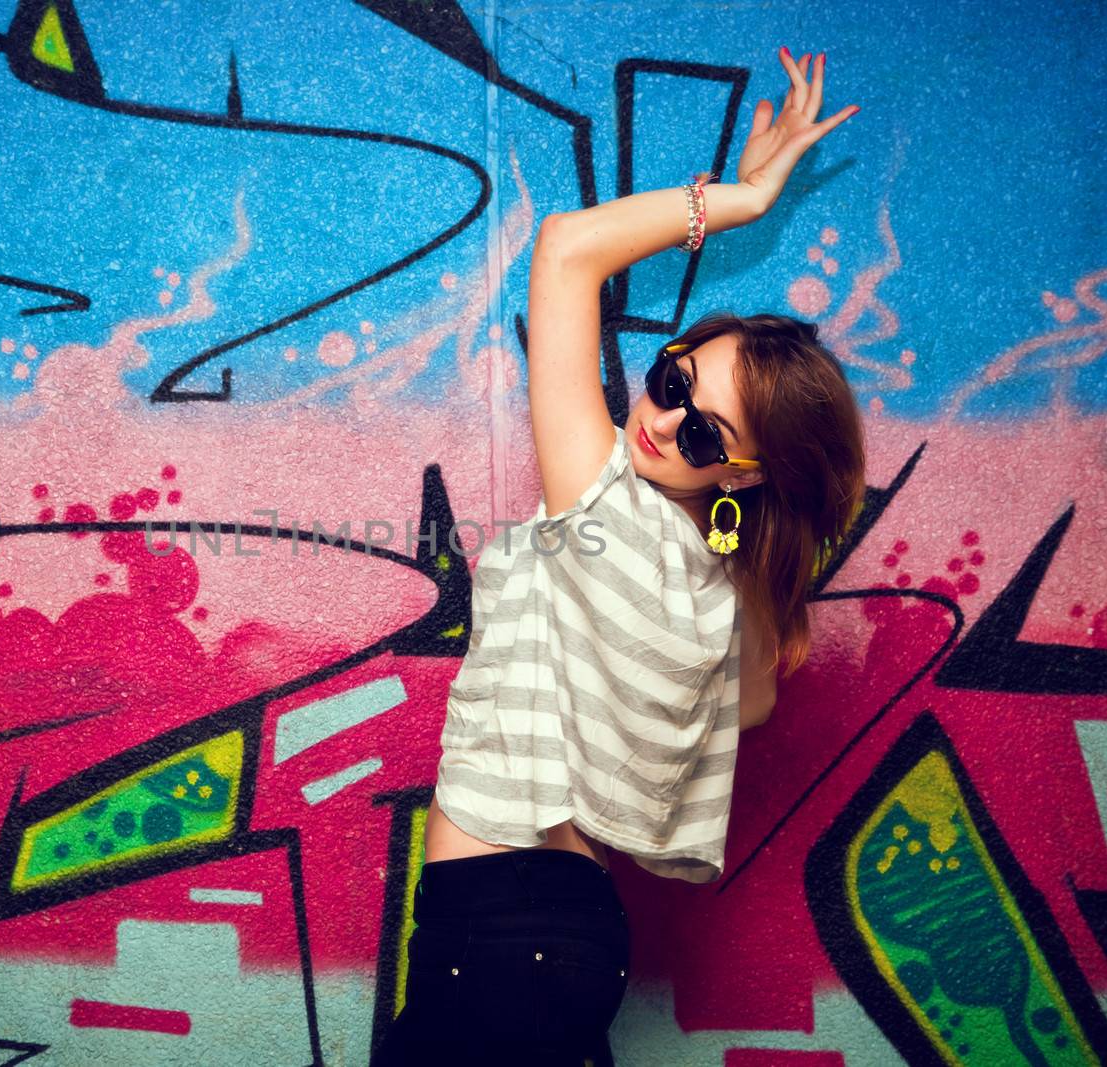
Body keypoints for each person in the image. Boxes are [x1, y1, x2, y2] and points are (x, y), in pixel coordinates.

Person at [370, 48, 865, 1066]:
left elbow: (565, 250)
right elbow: (758, 701)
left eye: (701, 436)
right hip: (566, 933)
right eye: (673, 379)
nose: (661, 420)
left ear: (740, 477)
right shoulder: (725, 596)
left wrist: (744, 196)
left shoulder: (599, 506)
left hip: (493, 932)